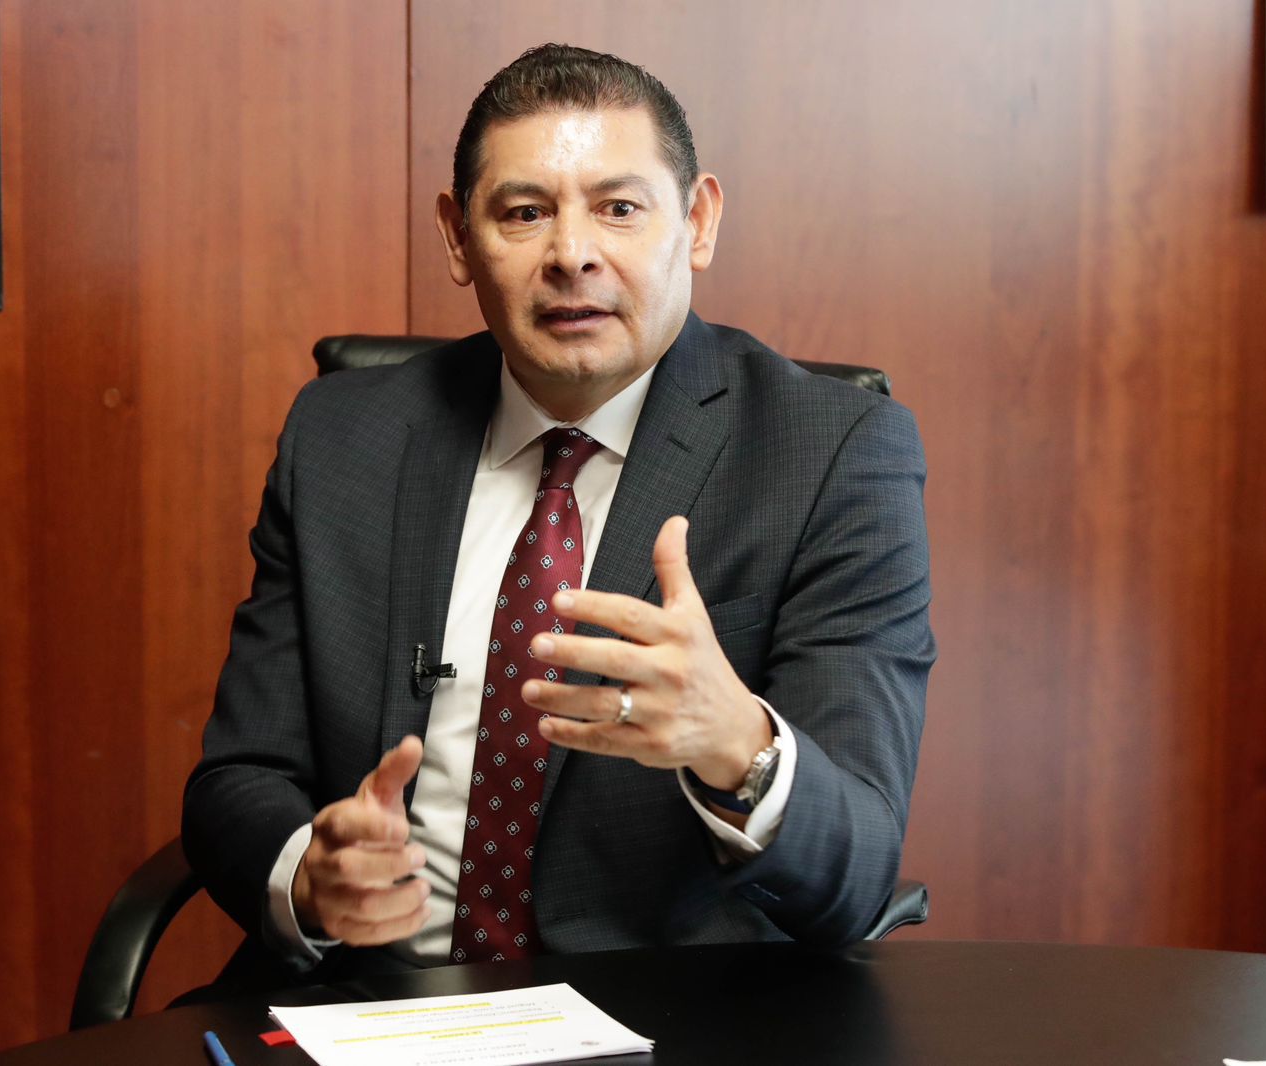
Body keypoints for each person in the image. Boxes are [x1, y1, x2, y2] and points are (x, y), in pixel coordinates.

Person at [182, 43, 934, 986]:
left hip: (671, 1021)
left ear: (697, 221)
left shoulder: (835, 453)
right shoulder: (341, 438)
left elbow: (857, 873)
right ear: (458, 238)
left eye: (619, 208)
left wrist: (736, 743)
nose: (572, 254)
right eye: (525, 212)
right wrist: (311, 876)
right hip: (372, 1005)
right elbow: (238, 779)